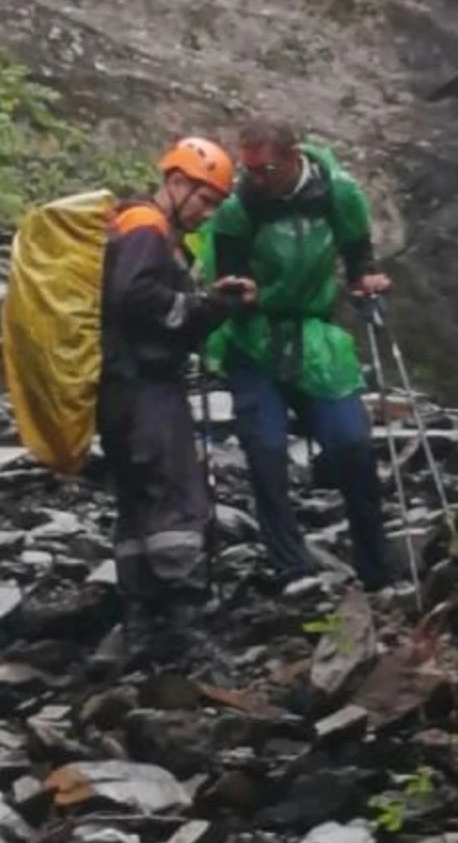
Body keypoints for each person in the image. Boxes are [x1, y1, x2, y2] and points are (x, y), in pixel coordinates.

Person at [196, 117, 398, 593]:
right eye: (248, 169)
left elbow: (358, 257)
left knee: (351, 443)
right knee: (265, 449)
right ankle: (292, 567)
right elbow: (228, 272)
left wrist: (365, 281)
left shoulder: (338, 194)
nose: (253, 179)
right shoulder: (237, 209)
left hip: (314, 335)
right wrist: (235, 291)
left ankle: (376, 566)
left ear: (293, 157)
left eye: (264, 169)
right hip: (253, 338)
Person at [98, 136, 256, 670]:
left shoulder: (135, 225)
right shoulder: (146, 226)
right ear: (177, 182)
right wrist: (201, 306)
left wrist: (207, 308)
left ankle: (142, 627)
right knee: (176, 501)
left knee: (137, 505)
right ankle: (185, 627)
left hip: (118, 390)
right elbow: (134, 297)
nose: (207, 213)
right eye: (205, 199)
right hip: (144, 388)